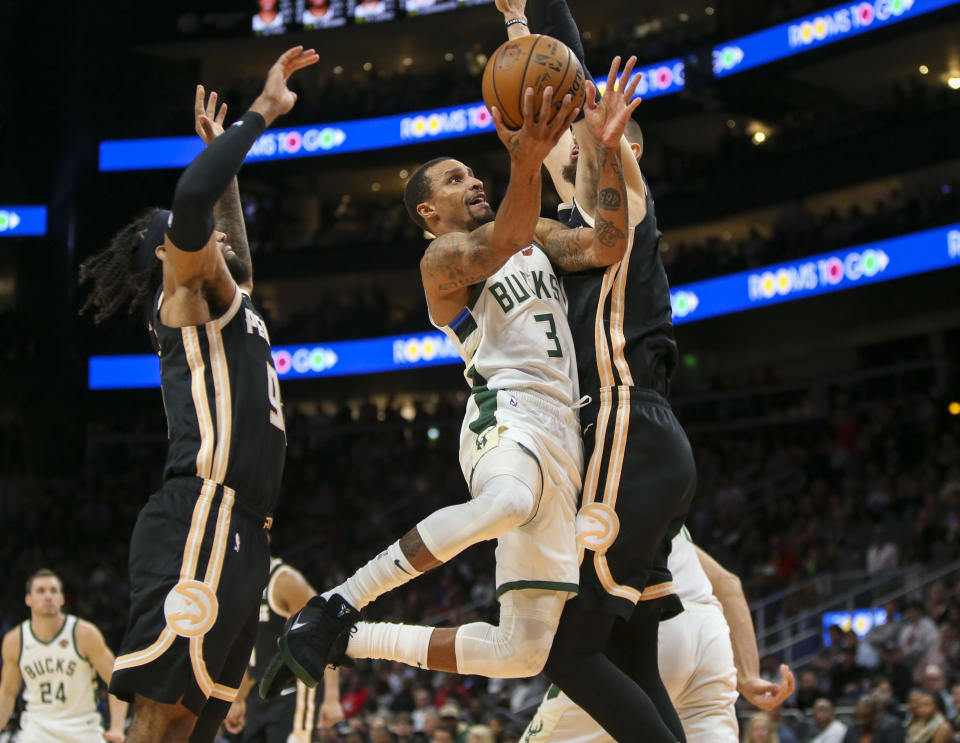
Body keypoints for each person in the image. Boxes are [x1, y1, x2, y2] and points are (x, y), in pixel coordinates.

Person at [261, 59, 639, 697]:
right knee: (507, 503)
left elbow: (606, 244)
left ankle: (344, 637)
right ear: (428, 213)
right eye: (455, 178)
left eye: (473, 172)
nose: (474, 181)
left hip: (565, 433)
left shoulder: (539, 236)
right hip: (505, 417)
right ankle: (338, 600)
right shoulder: (442, 260)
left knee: (522, 653)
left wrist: (602, 149)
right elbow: (498, 242)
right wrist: (527, 157)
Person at [78, 47, 319, 743]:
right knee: (157, 717)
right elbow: (190, 200)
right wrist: (262, 113)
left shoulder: (229, 297)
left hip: (243, 526)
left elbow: (236, 257)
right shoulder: (185, 295)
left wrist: (231, 169)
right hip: (202, 512)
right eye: (196, 233)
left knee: (196, 722)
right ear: (168, 252)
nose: (213, 227)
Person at [499, 1, 694, 739]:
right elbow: (541, 95)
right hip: (638, 440)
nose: (569, 146)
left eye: (583, 142)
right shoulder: (576, 229)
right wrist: (517, 28)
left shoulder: (626, 201)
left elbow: (571, 93)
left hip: (623, 426)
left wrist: (540, 12)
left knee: (560, 647)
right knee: (629, 659)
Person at [520, 529, 796, 742]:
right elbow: (729, 585)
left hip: (650, 629)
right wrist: (748, 676)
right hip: (711, 639)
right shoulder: (666, 504)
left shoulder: (596, 493)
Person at [0, 569, 128, 743]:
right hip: (37, 731)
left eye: (54, 591)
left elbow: (116, 679)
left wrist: (117, 728)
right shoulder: (15, 640)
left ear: (62, 598)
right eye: (41, 591)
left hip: (84, 728)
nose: (48, 596)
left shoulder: (84, 634)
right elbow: (7, 693)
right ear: (28, 599)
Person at [224, 557, 343, 742]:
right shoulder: (240, 584)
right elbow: (257, 651)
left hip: (295, 693)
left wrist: (332, 697)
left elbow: (326, 631)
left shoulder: (284, 580)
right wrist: (238, 698)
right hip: (258, 693)